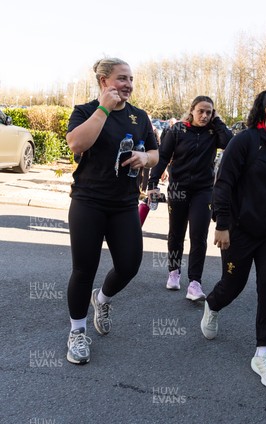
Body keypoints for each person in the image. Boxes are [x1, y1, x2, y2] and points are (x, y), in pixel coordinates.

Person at [201, 88, 266, 390]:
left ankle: (263, 354)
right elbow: (224, 184)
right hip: (240, 230)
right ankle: (213, 304)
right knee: (233, 284)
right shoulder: (244, 142)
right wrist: (222, 223)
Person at [65, 57, 159, 364]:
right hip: (88, 200)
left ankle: (101, 299)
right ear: (104, 81)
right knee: (84, 269)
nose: (129, 85)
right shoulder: (84, 111)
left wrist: (147, 159)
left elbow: (155, 151)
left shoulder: (139, 116)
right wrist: (103, 108)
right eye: (122, 78)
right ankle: (77, 331)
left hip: (124, 203)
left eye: (131, 79)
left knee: (130, 265)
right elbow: (77, 144)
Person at [147, 96, 233, 301]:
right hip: (178, 188)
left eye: (209, 112)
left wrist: (218, 122)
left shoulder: (214, 133)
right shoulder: (177, 131)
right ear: (192, 110)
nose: (204, 116)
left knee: (198, 235)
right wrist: (152, 183)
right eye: (201, 111)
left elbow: (230, 144)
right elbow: (163, 156)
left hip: (203, 190)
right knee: (176, 233)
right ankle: (174, 272)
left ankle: (195, 283)